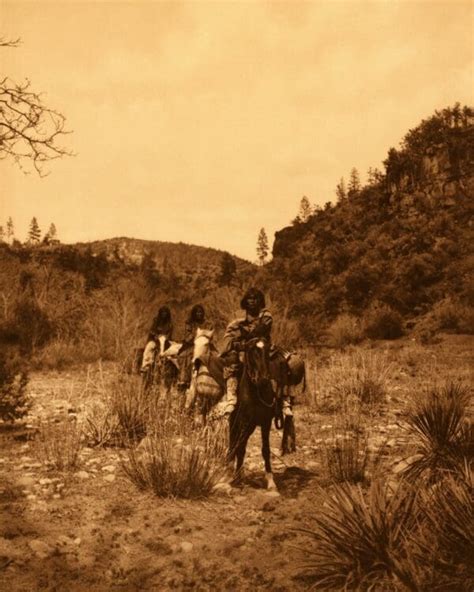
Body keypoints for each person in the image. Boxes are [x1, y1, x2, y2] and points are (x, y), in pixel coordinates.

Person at [219, 287, 293, 417]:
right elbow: (230, 335)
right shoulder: (238, 316)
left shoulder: (266, 315)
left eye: (255, 299)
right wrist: (238, 344)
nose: (252, 301)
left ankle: (284, 400)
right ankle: (231, 397)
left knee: (280, 362)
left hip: (262, 346)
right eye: (249, 299)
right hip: (243, 348)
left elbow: (261, 330)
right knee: (232, 361)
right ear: (245, 301)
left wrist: (246, 335)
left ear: (260, 301)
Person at [177, 304, 214, 390]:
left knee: (217, 356)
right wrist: (196, 335)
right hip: (192, 344)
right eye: (197, 312)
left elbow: (210, 334)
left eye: (201, 312)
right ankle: (183, 380)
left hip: (205, 344)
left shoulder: (208, 323)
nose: (199, 314)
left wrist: (205, 336)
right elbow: (187, 336)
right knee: (184, 356)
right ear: (194, 313)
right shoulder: (189, 323)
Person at [141, 305, 173, 372]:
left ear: (168, 314)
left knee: (166, 348)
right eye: (162, 312)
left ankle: (161, 361)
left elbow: (169, 335)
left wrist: (165, 337)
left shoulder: (170, 324)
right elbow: (151, 330)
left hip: (164, 342)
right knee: (149, 347)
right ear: (160, 313)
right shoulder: (156, 321)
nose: (164, 314)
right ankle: (146, 365)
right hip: (155, 340)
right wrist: (156, 335)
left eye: (165, 312)